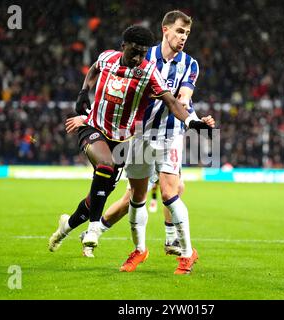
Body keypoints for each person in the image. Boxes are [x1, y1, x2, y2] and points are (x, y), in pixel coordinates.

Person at [48, 25, 213, 262]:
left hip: (124, 139)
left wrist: (192, 122)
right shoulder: (107, 58)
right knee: (106, 167)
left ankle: (65, 228)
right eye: (134, 52)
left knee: (95, 198)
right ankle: (96, 229)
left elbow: (173, 102)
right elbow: (94, 70)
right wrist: (84, 92)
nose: (138, 58)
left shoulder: (148, 72)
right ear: (122, 46)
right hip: (93, 128)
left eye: (143, 54)